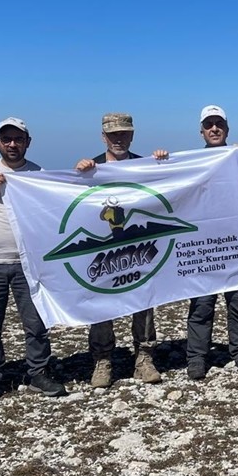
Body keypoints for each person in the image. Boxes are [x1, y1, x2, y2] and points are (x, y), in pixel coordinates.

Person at [0, 118, 66, 404]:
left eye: (18, 139)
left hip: (29, 263)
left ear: (27, 142)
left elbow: (50, 214)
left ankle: (38, 373)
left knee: (35, 323)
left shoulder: (38, 173)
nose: (12, 144)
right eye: (6, 139)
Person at [74, 112, 167, 387]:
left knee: (145, 299)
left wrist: (162, 163)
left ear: (132, 135)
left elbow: (169, 189)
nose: (119, 139)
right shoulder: (91, 170)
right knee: (103, 299)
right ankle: (102, 360)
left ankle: (144, 357)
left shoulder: (145, 165)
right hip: (107, 249)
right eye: (113, 134)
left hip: (140, 248)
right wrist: (78, 172)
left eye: (124, 134)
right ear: (104, 137)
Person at [184, 104, 238, 380]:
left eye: (219, 124)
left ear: (227, 128)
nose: (214, 128)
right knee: (202, 304)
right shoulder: (191, 161)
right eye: (208, 125)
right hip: (203, 248)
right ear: (201, 131)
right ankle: (197, 358)